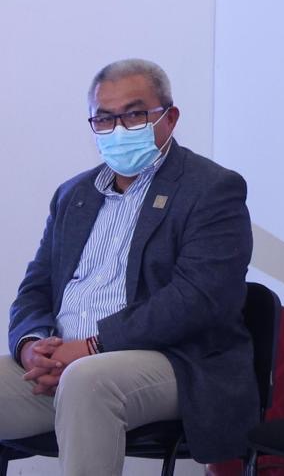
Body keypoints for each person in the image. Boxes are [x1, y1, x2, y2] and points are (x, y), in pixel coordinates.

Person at [1, 59, 258, 474]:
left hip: (176, 362)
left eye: (135, 115)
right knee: (77, 376)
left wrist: (90, 347)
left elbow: (197, 299)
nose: (118, 129)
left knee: (87, 380)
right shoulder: (73, 195)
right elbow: (36, 288)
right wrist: (32, 347)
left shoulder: (211, 189)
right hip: (61, 362)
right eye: (105, 118)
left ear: (169, 117)